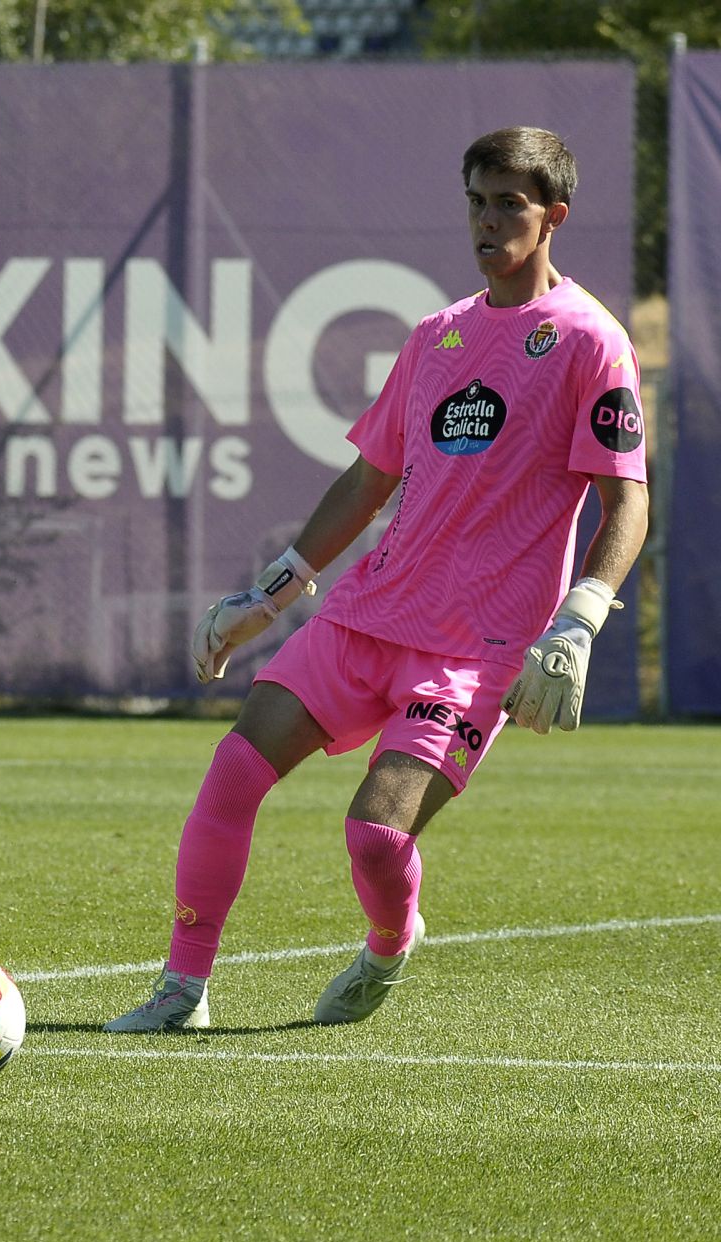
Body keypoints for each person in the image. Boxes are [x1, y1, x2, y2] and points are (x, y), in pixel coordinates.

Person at [105, 126, 650, 1031]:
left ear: (554, 216)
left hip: (478, 649)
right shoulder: (437, 335)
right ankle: (181, 990)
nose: (486, 221)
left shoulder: (593, 340)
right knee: (232, 772)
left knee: (375, 834)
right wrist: (270, 595)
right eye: (475, 201)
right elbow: (368, 480)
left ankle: (390, 943)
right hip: (369, 615)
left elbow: (626, 500)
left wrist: (579, 619)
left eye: (508, 203)